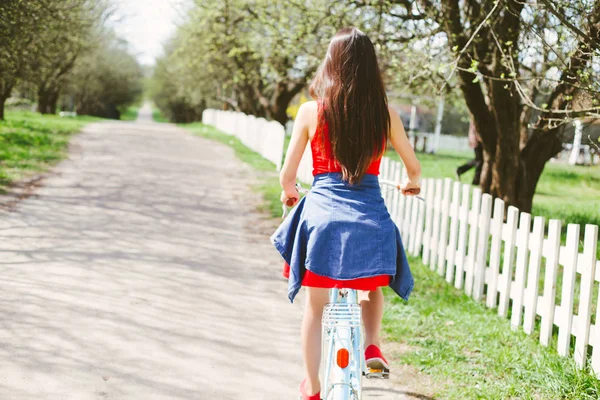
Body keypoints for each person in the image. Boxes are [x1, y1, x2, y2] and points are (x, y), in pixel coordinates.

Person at [270, 27, 421, 400]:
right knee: (370, 288)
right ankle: (371, 345)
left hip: (323, 219)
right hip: (370, 220)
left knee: (315, 308)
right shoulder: (386, 115)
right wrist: (411, 183)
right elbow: (413, 168)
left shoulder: (310, 112)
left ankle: (313, 386)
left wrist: (290, 193)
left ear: (330, 64)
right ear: (371, 68)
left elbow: (287, 176)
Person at [456, 117, 483, 185]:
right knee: (480, 161)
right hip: (477, 141)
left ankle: (460, 170)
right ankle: (475, 181)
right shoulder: (476, 115)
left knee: (478, 160)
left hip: (476, 140)